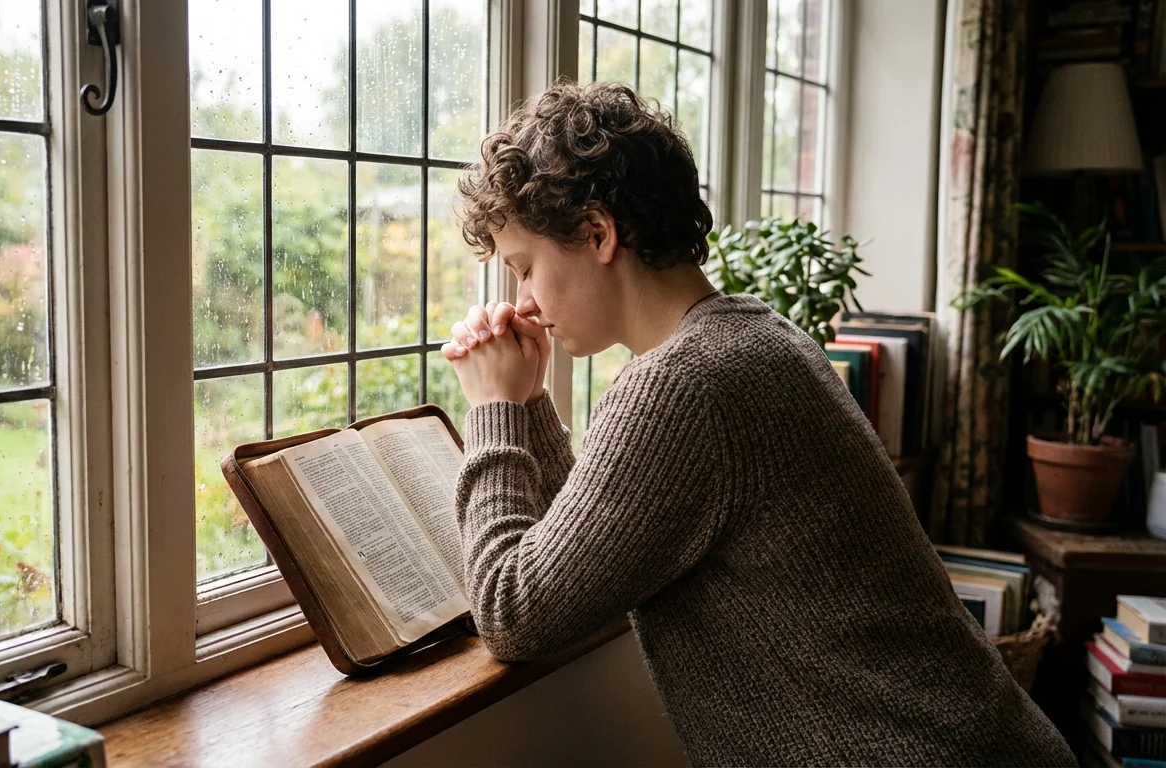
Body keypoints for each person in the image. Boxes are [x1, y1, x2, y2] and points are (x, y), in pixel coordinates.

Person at [438, 81, 1074, 767]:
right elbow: (597, 548)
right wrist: (529, 401)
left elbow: (512, 612)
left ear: (598, 232)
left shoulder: (679, 387)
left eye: (525, 269)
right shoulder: (756, 334)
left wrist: (495, 411)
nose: (525, 302)